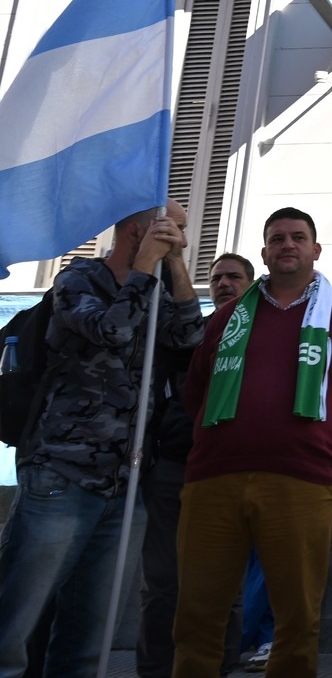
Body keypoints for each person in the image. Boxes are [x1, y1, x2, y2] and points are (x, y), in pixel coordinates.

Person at [172, 207, 332, 678]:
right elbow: (196, 391)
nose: (287, 244)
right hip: (214, 481)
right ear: (265, 252)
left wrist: (321, 436)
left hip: (303, 483)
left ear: (315, 249)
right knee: (196, 615)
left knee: (297, 618)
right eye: (276, 238)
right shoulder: (228, 317)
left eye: (297, 237)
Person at [0, 202, 205, 678]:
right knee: (15, 622)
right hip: (62, 473)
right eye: (173, 230)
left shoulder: (153, 289)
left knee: (87, 638)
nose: (179, 237)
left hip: (127, 483)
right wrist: (144, 268)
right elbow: (110, 330)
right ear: (138, 230)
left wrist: (174, 265)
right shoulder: (78, 278)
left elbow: (192, 341)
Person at [137, 252, 255, 678]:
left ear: (251, 282)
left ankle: (221, 668)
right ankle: (154, 670)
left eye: (233, 277)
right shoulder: (189, 330)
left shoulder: (267, 334)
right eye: (217, 277)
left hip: (232, 472)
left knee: (227, 587)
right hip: (174, 468)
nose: (224, 283)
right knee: (163, 584)